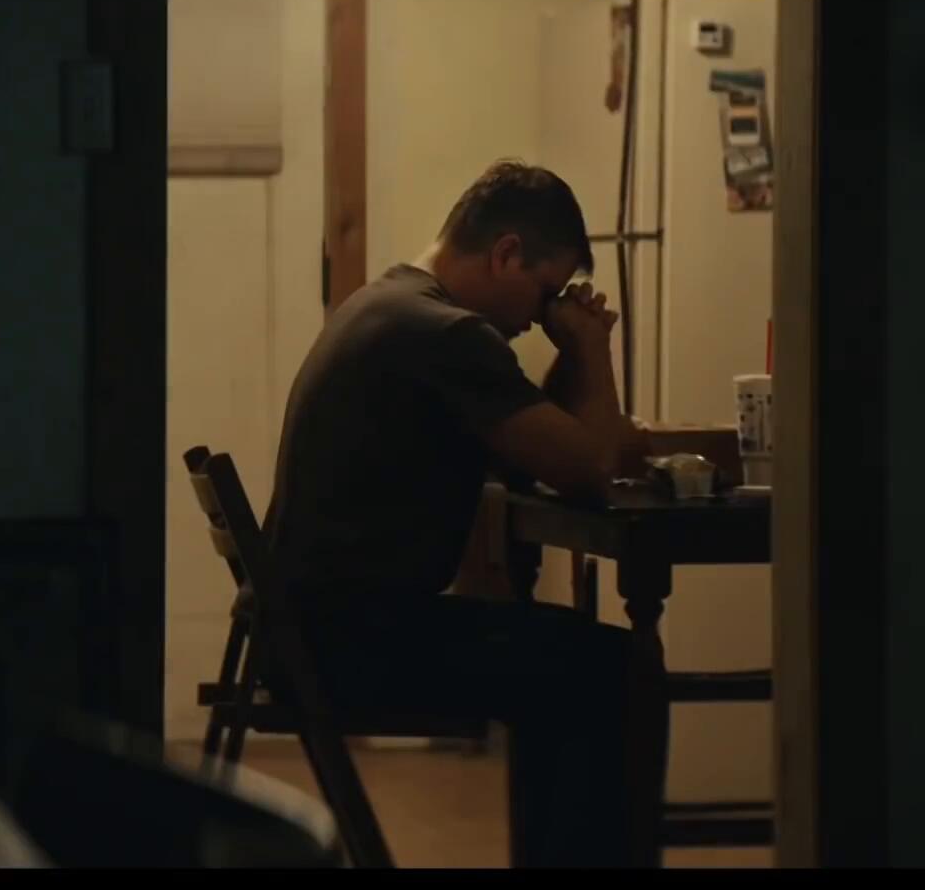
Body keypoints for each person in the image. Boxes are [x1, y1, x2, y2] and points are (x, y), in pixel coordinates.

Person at [263, 159, 659, 868]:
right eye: (545, 292)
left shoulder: (391, 303)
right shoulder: (446, 335)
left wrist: (571, 361)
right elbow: (590, 470)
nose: (540, 316)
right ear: (506, 253)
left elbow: (546, 448)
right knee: (616, 669)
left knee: (574, 664)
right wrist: (593, 346)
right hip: (354, 644)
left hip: (309, 634)